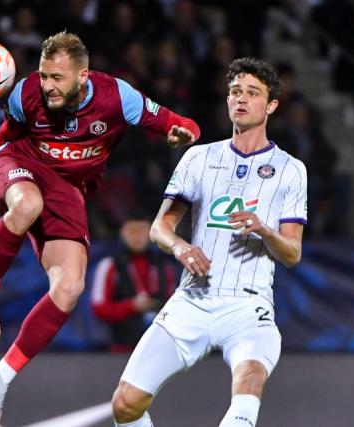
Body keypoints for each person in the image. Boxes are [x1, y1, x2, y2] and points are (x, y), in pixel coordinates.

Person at [0, 31, 200, 426]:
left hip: (68, 186)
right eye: (44, 75)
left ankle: (0, 377)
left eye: (57, 78)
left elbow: (181, 123)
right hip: (20, 165)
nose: (47, 85)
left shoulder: (117, 97)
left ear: (84, 75)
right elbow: (6, 138)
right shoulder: (24, 94)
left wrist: (184, 134)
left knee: (70, 287)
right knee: (26, 204)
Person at [110, 57, 307, 427]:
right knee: (125, 405)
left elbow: (292, 253)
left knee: (249, 383)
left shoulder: (291, 169)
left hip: (248, 307)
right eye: (235, 92)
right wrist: (180, 247)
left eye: (252, 93)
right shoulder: (198, 158)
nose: (241, 99)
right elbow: (159, 228)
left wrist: (264, 230)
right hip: (193, 299)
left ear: (271, 105)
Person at [91, 214, 176, 353]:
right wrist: (131, 306)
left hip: (159, 349)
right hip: (121, 349)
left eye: (142, 231)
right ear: (122, 233)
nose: (137, 236)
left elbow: (174, 303)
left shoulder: (164, 265)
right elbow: (99, 308)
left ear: (151, 232)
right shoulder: (109, 265)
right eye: (131, 231)